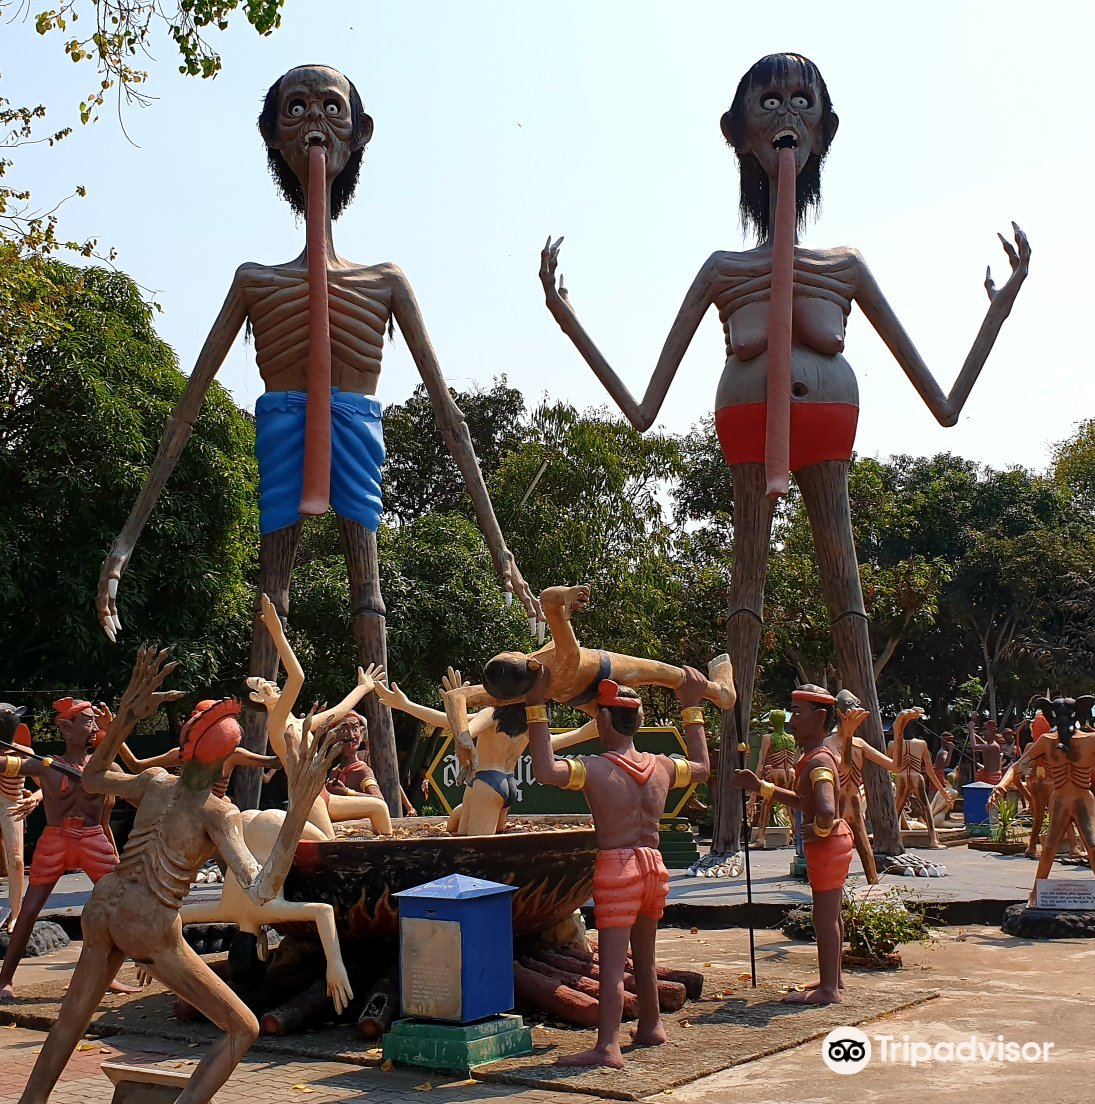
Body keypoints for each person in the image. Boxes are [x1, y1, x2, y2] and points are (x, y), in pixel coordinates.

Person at [97, 64, 538, 816]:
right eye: (296, 108)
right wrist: (122, 549)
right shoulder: (254, 280)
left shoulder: (385, 280)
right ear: (272, 131)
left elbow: (448, 416)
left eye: (330, 108)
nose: (313, 122)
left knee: (369, 597)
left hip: (356, 425)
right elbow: (186, 412)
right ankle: (240, 802)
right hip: (282, 423)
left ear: (357, 133)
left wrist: (502, 552)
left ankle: (392, 800)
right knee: (271, 599)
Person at [14, 646, 345, 1104]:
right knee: (242, 1027)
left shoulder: (154, 782)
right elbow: (261, 888)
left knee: (71, 1020)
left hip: (104, 902)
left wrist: (124, 722)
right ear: (227, 758)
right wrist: (300, 808)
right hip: (147, 920)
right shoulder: (218, 812)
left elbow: (91, 780)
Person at [527, 668, 710, 1068]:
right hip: (654, 866)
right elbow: (701, 766)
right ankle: (651, 1025)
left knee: (610, 964)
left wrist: (535, 704)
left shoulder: (595, 768)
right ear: (639, 721)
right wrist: (692, 706)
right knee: (644, 957)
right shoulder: (661, 767)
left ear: (605, 720)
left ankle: (607, 1046)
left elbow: (544, 770)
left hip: (618, 867)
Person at [443, 585, 734, 782]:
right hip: (599, 683)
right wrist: (568, 593)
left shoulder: (514, 692)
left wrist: (463, 738)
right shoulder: (562, 658)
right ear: (528, 663)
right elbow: (547, 599)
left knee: (626, 737)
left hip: (592, 690)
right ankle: (721, 692)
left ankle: (721, 693)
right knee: (679, 679)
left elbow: (456, 696)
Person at [0, 698, 139, 1001]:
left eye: (94, 721)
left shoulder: (106, 766)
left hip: (94, 841)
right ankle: (4, 981)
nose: (93, 727)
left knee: (121, 907)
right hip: (55, 842)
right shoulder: (45, 765)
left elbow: (140, 798)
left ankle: (107, 976)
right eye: (87, 721)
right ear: (66, 728)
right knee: (29, 910)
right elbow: (8, 765)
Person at [735, 686, 851, 1005]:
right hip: (832, 844)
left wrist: (819, 828)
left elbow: (826, 807)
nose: (791, 720)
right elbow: (802, 801)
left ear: (820, 717)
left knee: (824, 917)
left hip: (827, 847)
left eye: (798, 713)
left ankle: (828, 989)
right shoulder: (813, 757)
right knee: (831, 914)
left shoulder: (818, 762)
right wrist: (761, 786)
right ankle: (834, 977)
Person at [377, 671, 593, 835]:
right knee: (464, 828)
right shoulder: (528, 722)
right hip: (508, 784)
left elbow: (463, 731)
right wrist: (586, 732)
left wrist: (456, 705)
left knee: (476, 849)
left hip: (487, 784)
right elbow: (551, 744)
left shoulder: (490, 713)